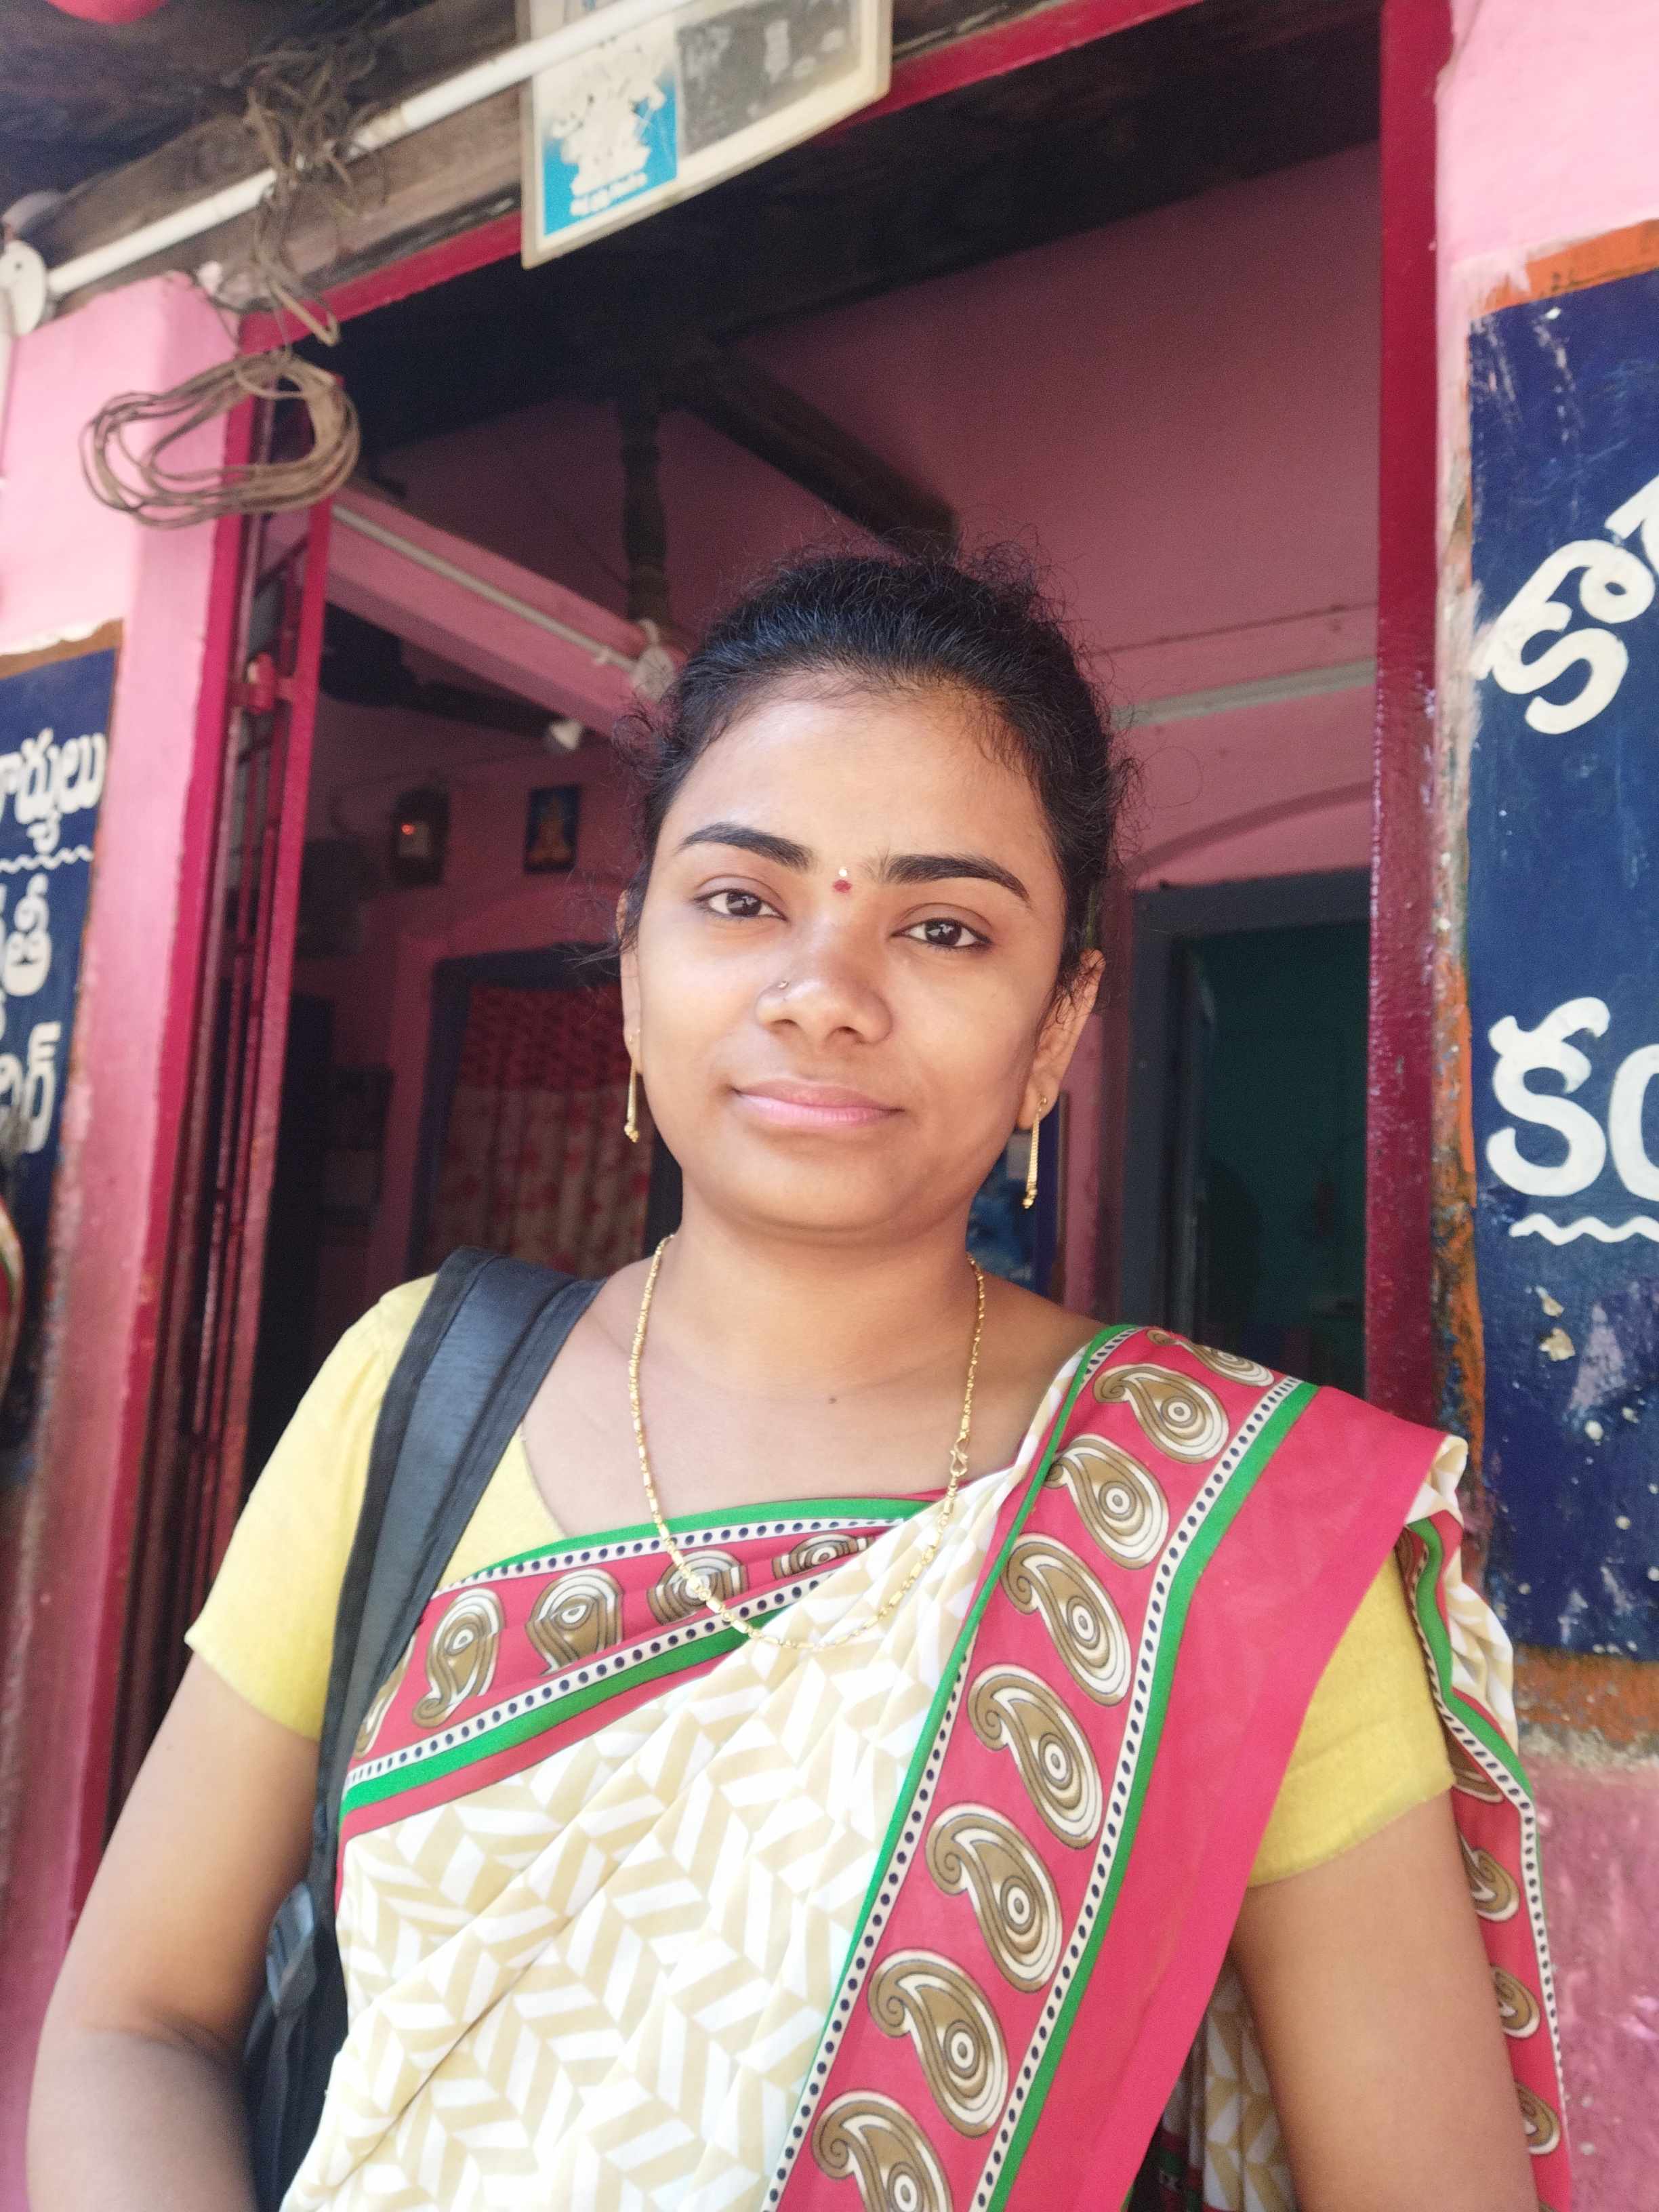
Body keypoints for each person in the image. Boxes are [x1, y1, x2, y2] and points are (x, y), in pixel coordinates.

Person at [29, 550, 1564, 2212]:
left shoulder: (1228, 1542)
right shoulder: (411, 1394)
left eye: (944, 927)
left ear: (1058, 1028)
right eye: (742, 900)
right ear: (632, 966)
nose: (824, 994)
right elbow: (136, 2021)